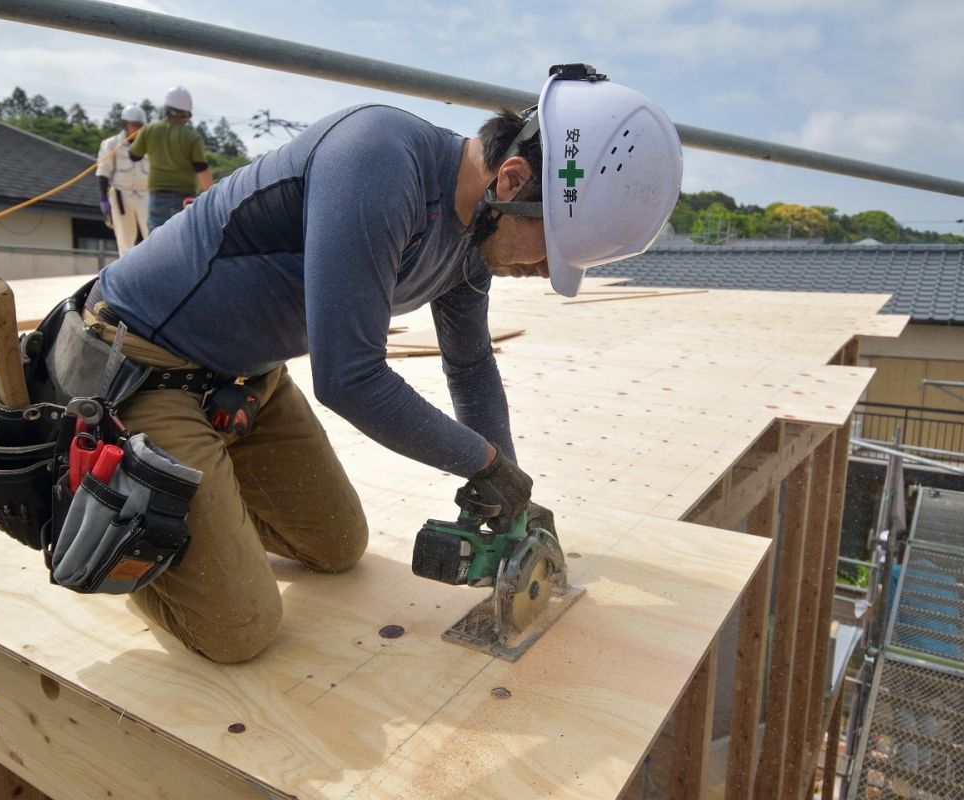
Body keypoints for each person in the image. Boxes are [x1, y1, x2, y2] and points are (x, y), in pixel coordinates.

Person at [76, 64, 682, 663]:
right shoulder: (378, 160)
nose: (550, 272)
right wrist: (483, 462)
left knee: (337, 546)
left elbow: (469, 367)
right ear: (513, 180)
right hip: (143, 364)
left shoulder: (476, 238)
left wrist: (507, 491)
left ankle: (200, 501)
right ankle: (131, 536)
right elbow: (348, 377)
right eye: (555, 248)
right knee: (240, 630)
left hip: (242, 380)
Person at [128, 86, 213, 230]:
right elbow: (201, 170)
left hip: (156, 196)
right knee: (182, 241)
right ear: (186, 114)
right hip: (183, 198)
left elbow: (134, 156)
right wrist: (211, 199)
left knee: (156, 243)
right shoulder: (192, 137)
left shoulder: (148, 130)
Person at [96, 104, 150, 256]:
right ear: (125, 125)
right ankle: (126, 275)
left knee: (152, 235)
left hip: (145, 194)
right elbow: (103, 171)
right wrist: (103, 197)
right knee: (125, 239)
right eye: (135, 125)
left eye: (141, 126)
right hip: (122, 194)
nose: (138, 129)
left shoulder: (149, 145)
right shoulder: (111, 144)